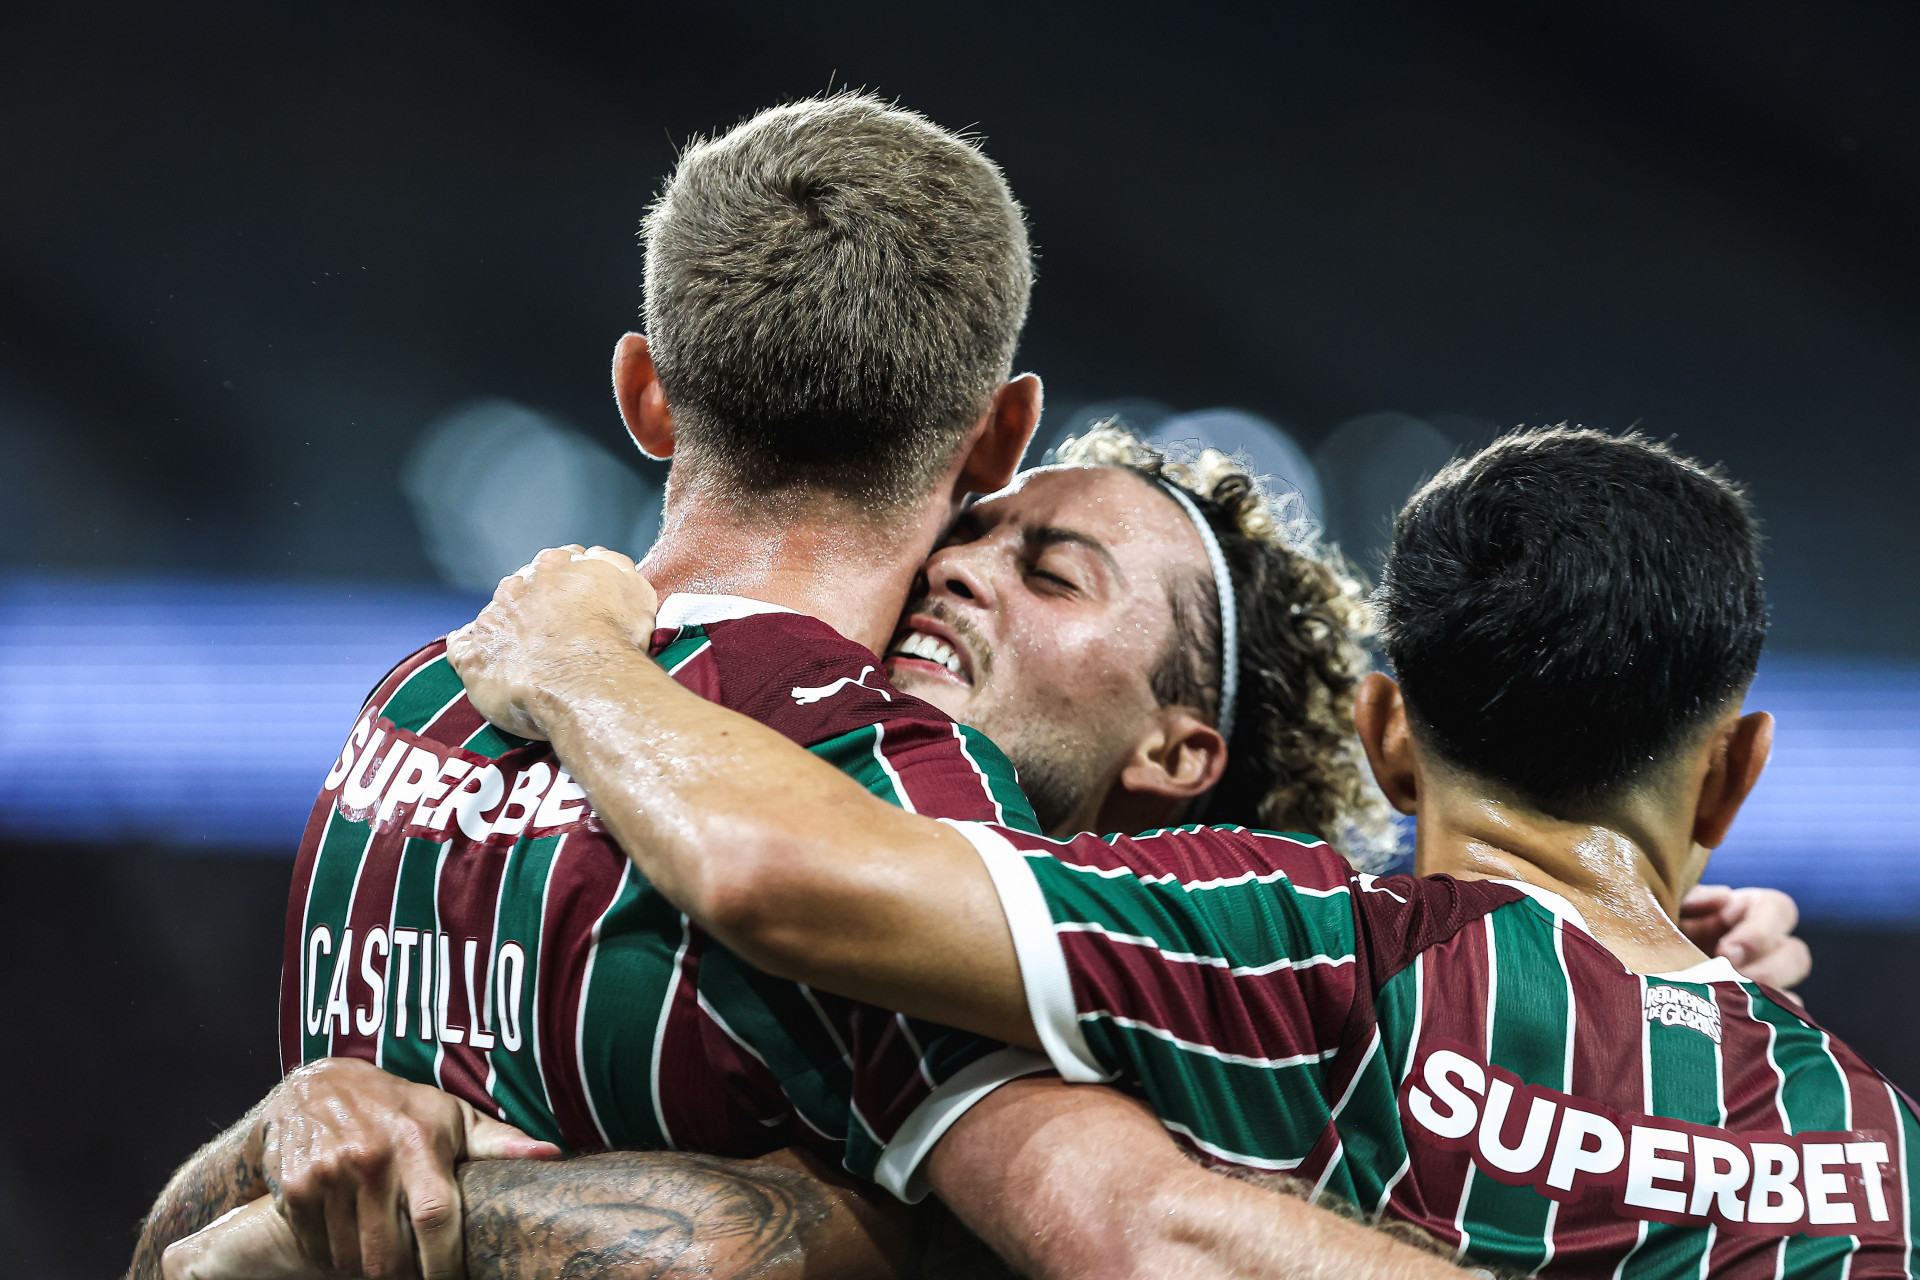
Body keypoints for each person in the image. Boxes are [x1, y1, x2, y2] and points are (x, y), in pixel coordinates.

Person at [134, 95, 1498, 1280]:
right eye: (1003, 533)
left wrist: (288, 1189)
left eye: (1057, 572)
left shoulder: (416, 708)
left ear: (645, 397)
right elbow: (1101, 1231)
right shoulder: (896, 790)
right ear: (998, 437)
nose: (978, 583)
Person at [429, 426, 1904, 1278]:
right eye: (968, 534)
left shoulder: (1275, 949)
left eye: (1048, 567)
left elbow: (783, 869)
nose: (952, 566)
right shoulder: (1879, 1148)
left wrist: (579, 660)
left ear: (1388, 735)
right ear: (1736, 769)